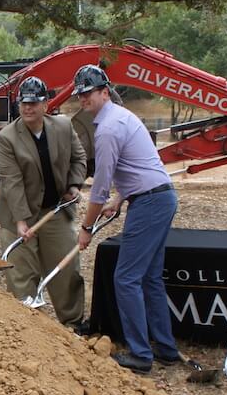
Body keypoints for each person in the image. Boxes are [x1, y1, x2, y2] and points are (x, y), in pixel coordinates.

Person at [73, 64, 180, 374]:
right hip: (159, 197)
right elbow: (139, 166)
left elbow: (99, 189)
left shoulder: (106, 129)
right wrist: (122, 198)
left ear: (105, 92)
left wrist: (86, 228)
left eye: (89, 93)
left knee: (126, 278)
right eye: (80, 95)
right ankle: (166, 348)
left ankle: (140, 354)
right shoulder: (124, 117)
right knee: (149, 278)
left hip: (150, 204)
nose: (84, 100)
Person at [0, 76, 88, 328]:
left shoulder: (63, 127)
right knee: (21, 272)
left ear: (46, 104)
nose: (27, 108)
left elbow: (79, 159)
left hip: (54, 209)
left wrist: (73, 185)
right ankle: (26, 328)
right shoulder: (6, 138)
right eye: (23, 103)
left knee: (65, 271)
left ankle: (73, 323)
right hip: (18, 214)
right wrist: (21, 220)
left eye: (34, 103)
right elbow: (11, 181)